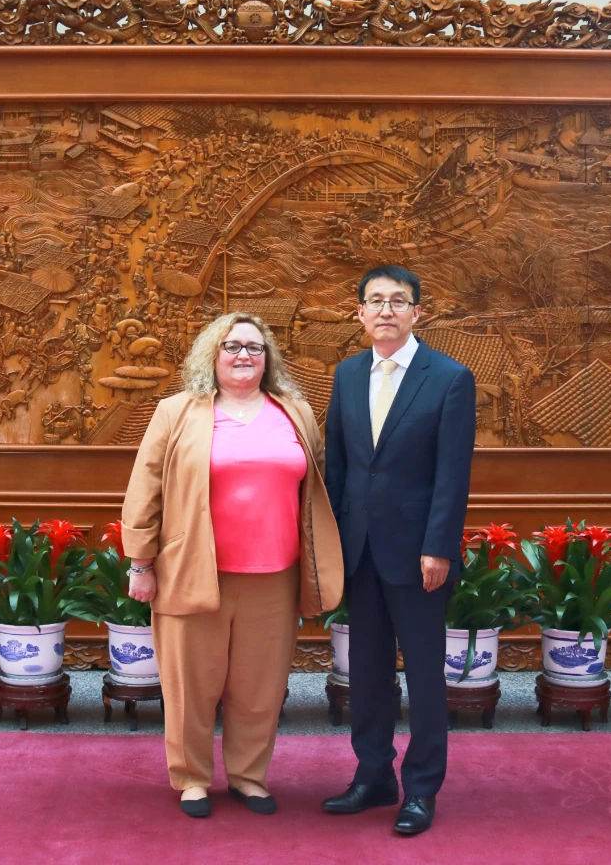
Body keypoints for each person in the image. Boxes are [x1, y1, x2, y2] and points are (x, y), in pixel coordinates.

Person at [121, 312, 344, 819]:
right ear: (212, 356)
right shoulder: (177, 412)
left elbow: (316, 489)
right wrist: (140, 563)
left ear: (268, 358)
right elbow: (145, 488)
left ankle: (248, 777)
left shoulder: (296, 412)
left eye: (255, 347)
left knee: (259, 689)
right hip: (193, 570)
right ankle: (193, 779)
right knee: (191, 685)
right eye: (232, 346)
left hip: (275, 576)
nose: (244, 355)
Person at [321, 265, 476, 835]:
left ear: (418, 312)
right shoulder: (346, 374)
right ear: (358, 312)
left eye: (398, 301)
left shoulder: (450, 378)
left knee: (425, 677)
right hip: (360, 551)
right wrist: (334, 542)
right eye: (375, 301)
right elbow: (339, 466)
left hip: (419, 557)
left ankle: (421, 789)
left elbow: (450, 475)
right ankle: (373, 776)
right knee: (365, 670)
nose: (385, 310)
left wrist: (438, 546)